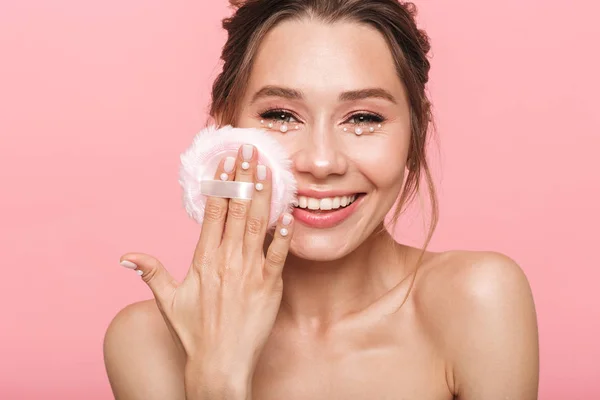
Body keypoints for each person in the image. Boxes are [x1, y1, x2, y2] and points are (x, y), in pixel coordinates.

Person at [103, 1, 540, 399]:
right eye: (281, 115)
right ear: (222, 131)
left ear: (414, 134)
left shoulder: (479, 300)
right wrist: (217, 375)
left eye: (364, 118)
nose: (321, 160)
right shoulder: (147, 341)